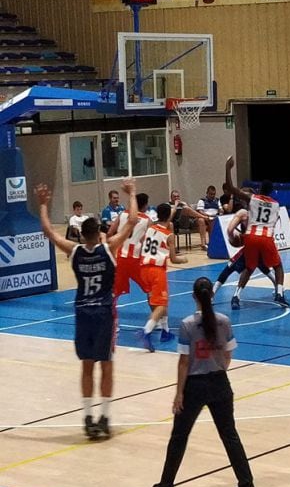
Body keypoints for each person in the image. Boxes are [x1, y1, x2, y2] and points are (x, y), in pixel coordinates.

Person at [36, 178, 138, 439]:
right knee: (107, 364)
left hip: (82, 313)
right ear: (99, 233)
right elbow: (132, 221)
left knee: (87, 365)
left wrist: (44, 204)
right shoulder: (109, 248)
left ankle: (86, 416)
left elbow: (48, 231)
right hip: (104, 313)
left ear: (83, 234)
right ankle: (104, 416)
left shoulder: (75, 251)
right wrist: (132, 192)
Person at [152, 277, 257, 487]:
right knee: (230, 435)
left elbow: (183, 362)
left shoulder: (188, 324)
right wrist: (219, 369)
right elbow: (228, 355)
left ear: (193, 297)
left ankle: (166, 485)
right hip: (220, 382)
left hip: (195, 385)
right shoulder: (224, 321)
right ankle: (247, 485)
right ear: (212, 295)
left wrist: (179, 393)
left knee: (179, 435)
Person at [224, 157, 289, 309]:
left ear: (259, 189)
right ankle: (279, 293)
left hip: (250, 237)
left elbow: (231, 188)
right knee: (278, 266)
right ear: (271, 191)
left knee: (249, 267)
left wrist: (228, 168)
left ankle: (236, 296)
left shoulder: (252, 198)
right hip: (266, 237)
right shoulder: (276, 204)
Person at [138, 203, 188, 352]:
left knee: (156, 301)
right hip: (156, 270)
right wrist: (183, 259)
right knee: (162, 303)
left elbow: (142, 241)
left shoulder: (150, 228)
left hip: (143, 268)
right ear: (169, 217)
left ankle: (165, 331)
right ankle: (146, 331)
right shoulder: (169, 235)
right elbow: (173, 259)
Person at [211, 207, 278, 300]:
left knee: (230, 268)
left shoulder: (244, 214)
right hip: (266, 243)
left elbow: (230, 230)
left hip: (253, 244)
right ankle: (278, 287)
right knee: (261, 264)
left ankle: (215, 294)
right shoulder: (263, 213)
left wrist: (235, 239)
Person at [109, 193, 153, 332]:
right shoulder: (147, 220)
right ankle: (157, 320)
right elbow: (148, 241)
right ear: (145, 205)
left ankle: (113, 323)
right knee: (150, 289)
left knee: (113, 293)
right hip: (136, 260)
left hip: (121, 258)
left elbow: (110, 233)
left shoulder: (122, 214)